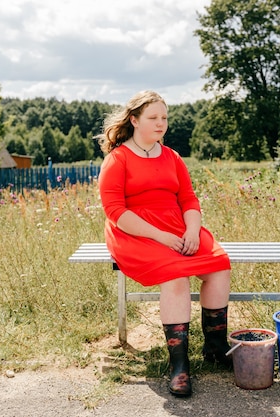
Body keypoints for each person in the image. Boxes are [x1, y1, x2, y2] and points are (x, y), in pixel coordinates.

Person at [97, 90, 232, 397]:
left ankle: (215, 349)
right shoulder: (117, 159)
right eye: (153, 118)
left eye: (165, 118)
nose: (161, 124)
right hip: (136, 232)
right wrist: (163, 237)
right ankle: (179, 364)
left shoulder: (171, 156)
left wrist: (193, 231)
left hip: (177, 226)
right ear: (134, 120)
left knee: (220, 264)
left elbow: (188, 198)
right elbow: (116, 212)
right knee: (175, 273)